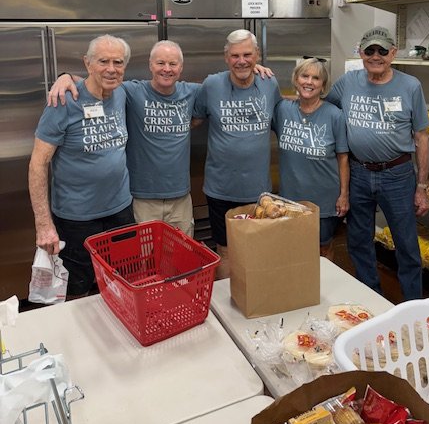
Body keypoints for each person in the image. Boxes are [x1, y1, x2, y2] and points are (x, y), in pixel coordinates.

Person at [49, 40, 272, 238]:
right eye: (160, 63)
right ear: (150, 65)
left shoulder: (194, 92)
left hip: (181, 199)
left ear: (181, 68)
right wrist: (65, 77)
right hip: (141, 199)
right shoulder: (130, 91)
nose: (167, 69)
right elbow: (95, 81)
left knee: (181, 261)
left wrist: (254, 70)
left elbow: (227, 87)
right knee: (145, 265)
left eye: (173, 64)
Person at [326, 26, 429, 301]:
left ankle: (413, 308)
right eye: (370, 50)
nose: (376, 56)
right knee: (358, 241)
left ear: (393, 53)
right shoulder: (347, 82)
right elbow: (323, 107)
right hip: (358, 173)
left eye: (382, 50)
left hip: (397, 175)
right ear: (360, 52)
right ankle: (371, 299)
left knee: (406, 245)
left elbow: (421, 137)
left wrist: (421, 186)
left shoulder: (410, 86)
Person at [29, 34, 135, 297]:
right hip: (76, 218)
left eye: (118, 62)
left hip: (120, 210)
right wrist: (43, 224)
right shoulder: (64, 102)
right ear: (87, 64)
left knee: (122, 281)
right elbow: (38, 163)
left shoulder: (121, 93)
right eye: (103, 61)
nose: (111, 68)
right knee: (78, 289)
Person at [193, 29, 281, 277]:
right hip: (221, 187)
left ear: (257, 55)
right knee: (225, 249)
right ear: (226, 57)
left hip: (258, 191)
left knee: (258, 248)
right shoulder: (211, 85)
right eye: (235, 56)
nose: (241, 60)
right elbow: (194, 119)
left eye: (247, 54)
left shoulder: (269, 82)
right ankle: (229, 307)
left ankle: (256, 299)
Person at [272, 57, 349, 260]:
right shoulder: (282, 110)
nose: (309, 82)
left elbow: (343, 158)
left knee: (322, 250)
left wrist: (343, 195)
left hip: (323, 200)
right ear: (296, 80)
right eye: (304, 76)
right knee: (292, 248)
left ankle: (321, 289)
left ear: (323, 84)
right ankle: (298, 288)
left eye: (316, 78)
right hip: (289, 199)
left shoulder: (334, 115)